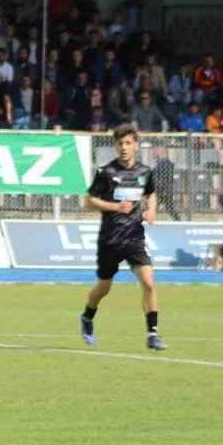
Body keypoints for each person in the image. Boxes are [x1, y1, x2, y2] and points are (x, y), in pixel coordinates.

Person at [79, 124, 166, 351]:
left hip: (134, 239)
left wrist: (152, 210)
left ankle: (152, 334)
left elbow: (151, 193)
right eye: (119, 144)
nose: (124, 147)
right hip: (110, 240)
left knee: (149, 283)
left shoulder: (145, 172)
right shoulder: (107, 172)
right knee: (103, 288)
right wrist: (113, 207)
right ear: (115, 146)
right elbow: (88, 201)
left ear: (136, 145)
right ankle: (88, 316)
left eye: (128, 143)